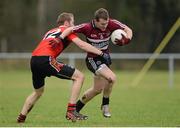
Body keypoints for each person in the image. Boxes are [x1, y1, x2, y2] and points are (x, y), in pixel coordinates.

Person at [17, 12, 110, 123]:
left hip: (34, 60)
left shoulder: (51, 31)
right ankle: (71, 111)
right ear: (67, 23)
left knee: (38, 91)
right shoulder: (66, 31)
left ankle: (21, 118)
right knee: (79, 77)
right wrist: (101, 53)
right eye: (73, 22)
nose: (74, 24)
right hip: (46, 59)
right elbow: (82, 45)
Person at [60, 8, 133, 118]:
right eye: (102, 24)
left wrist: (128, 39)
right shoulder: (87, 27)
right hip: (92, 59)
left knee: (97, 89)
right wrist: (60, 38)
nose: (105, 26)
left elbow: (128, 30)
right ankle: (105, 104)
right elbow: (69, 29)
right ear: (95, 20)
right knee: (112, 78)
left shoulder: (112, 24)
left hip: (105, 59)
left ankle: (74, 110)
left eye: (107, 23)